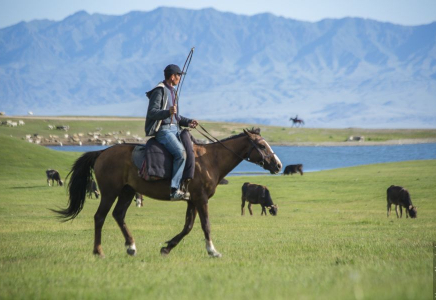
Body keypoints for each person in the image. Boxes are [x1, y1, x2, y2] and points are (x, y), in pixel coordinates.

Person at [145, 64, 198, 200]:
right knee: (181, 154)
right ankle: (174, 189)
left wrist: (188, 122)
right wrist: (167, 112)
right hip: (164, 130)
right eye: (178, 75)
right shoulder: (160, 91)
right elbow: (152, 112)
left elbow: (177, 117)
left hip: (176, 129)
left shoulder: (174, 92)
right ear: (172, 76)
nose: (180, 78)